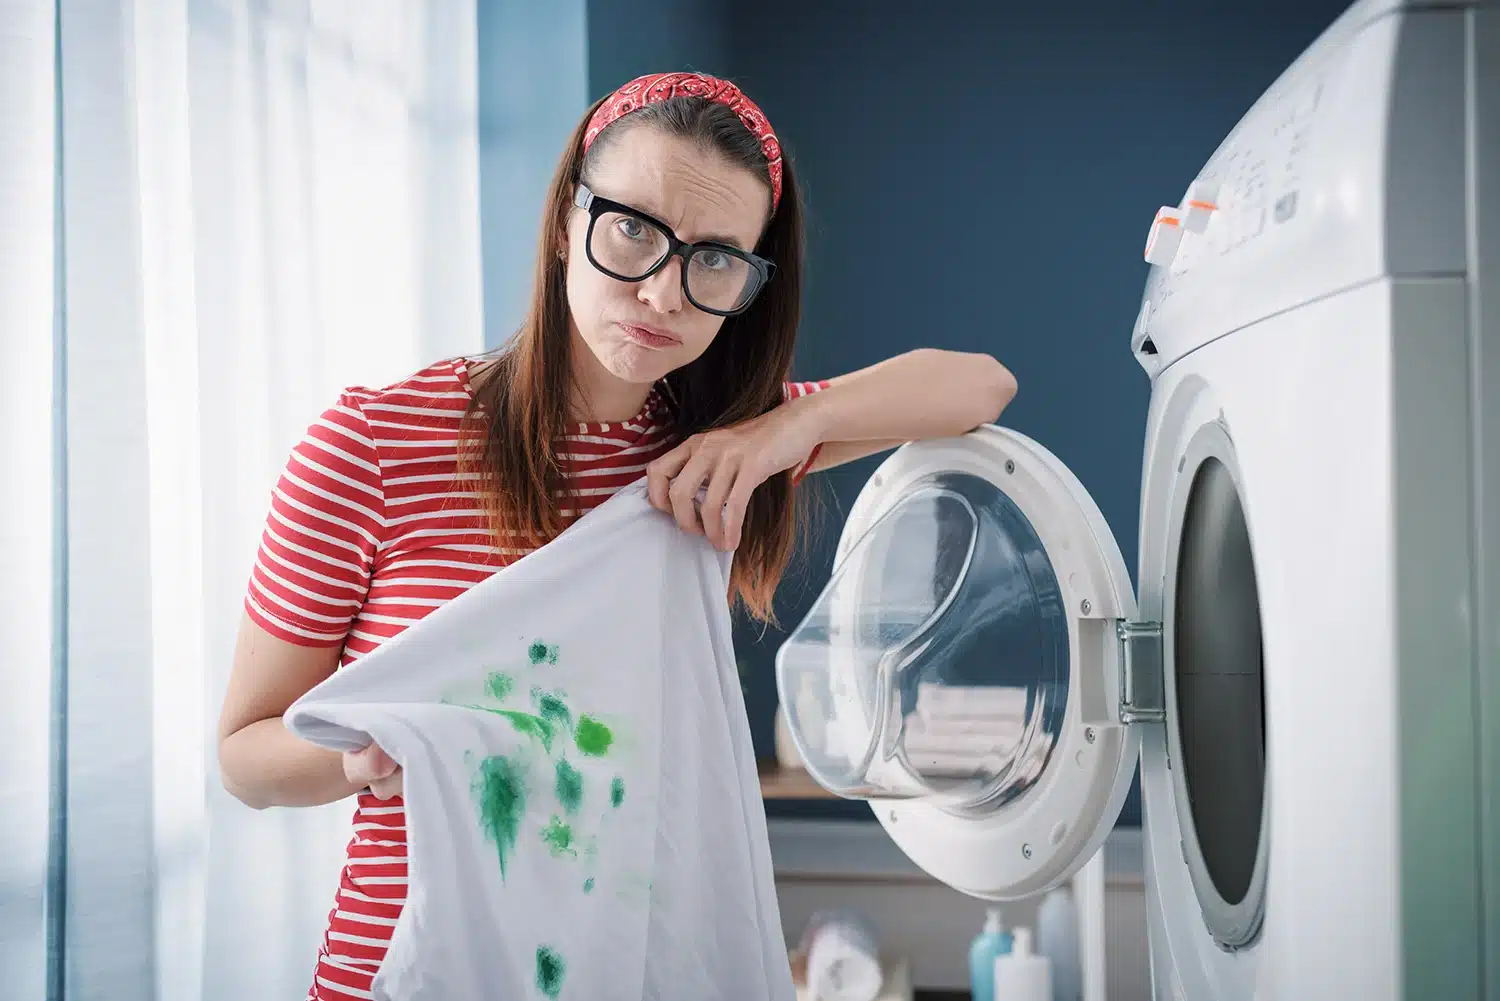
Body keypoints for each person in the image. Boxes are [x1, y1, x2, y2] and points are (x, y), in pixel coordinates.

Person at [217, 71, 1016, 1001]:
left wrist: (787, 427)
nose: (665, 293)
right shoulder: (376, 446)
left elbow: (982, 384)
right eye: (633, 230)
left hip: (624, 961)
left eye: (715, 259)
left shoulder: (712, 453)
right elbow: (244, 756)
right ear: (569, 220)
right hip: (401, 960)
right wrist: (367, 753)